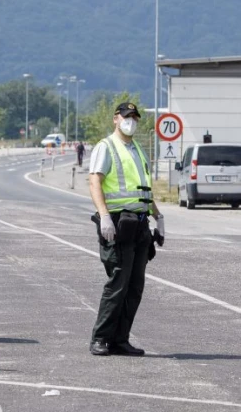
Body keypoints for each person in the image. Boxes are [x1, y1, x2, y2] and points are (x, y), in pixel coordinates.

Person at [87, 102, 164, 357]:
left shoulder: (138, 149)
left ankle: (120, 339)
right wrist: (104, 216)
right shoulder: (106, 146)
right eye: (126, 116)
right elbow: (95, 180)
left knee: (134, 286)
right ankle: (100, 338)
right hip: (119, 224)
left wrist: (158, 216)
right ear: (115, 119)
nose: (131, 120)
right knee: (118, 283)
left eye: (134, 117)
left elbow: (143, 190)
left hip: (140, 224)